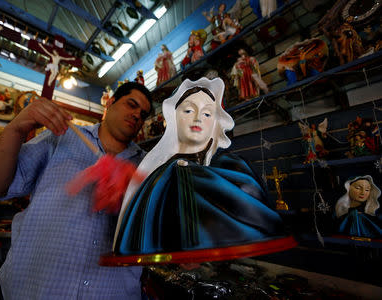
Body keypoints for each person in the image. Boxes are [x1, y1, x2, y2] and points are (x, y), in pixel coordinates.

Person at [0, 82, 153, 299]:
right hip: (32, 291)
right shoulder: (62, 138)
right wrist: (17, 128)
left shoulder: (148, 165)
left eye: (143, 114)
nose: (137, 115)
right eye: (131, 105)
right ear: (111, 102)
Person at [110, 77, 294, 264]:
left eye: (207, 114)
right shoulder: (159, 179)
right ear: (174, 117)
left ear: (216, 123)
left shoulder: (233, 169)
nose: (197, 118)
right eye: (189, 110)